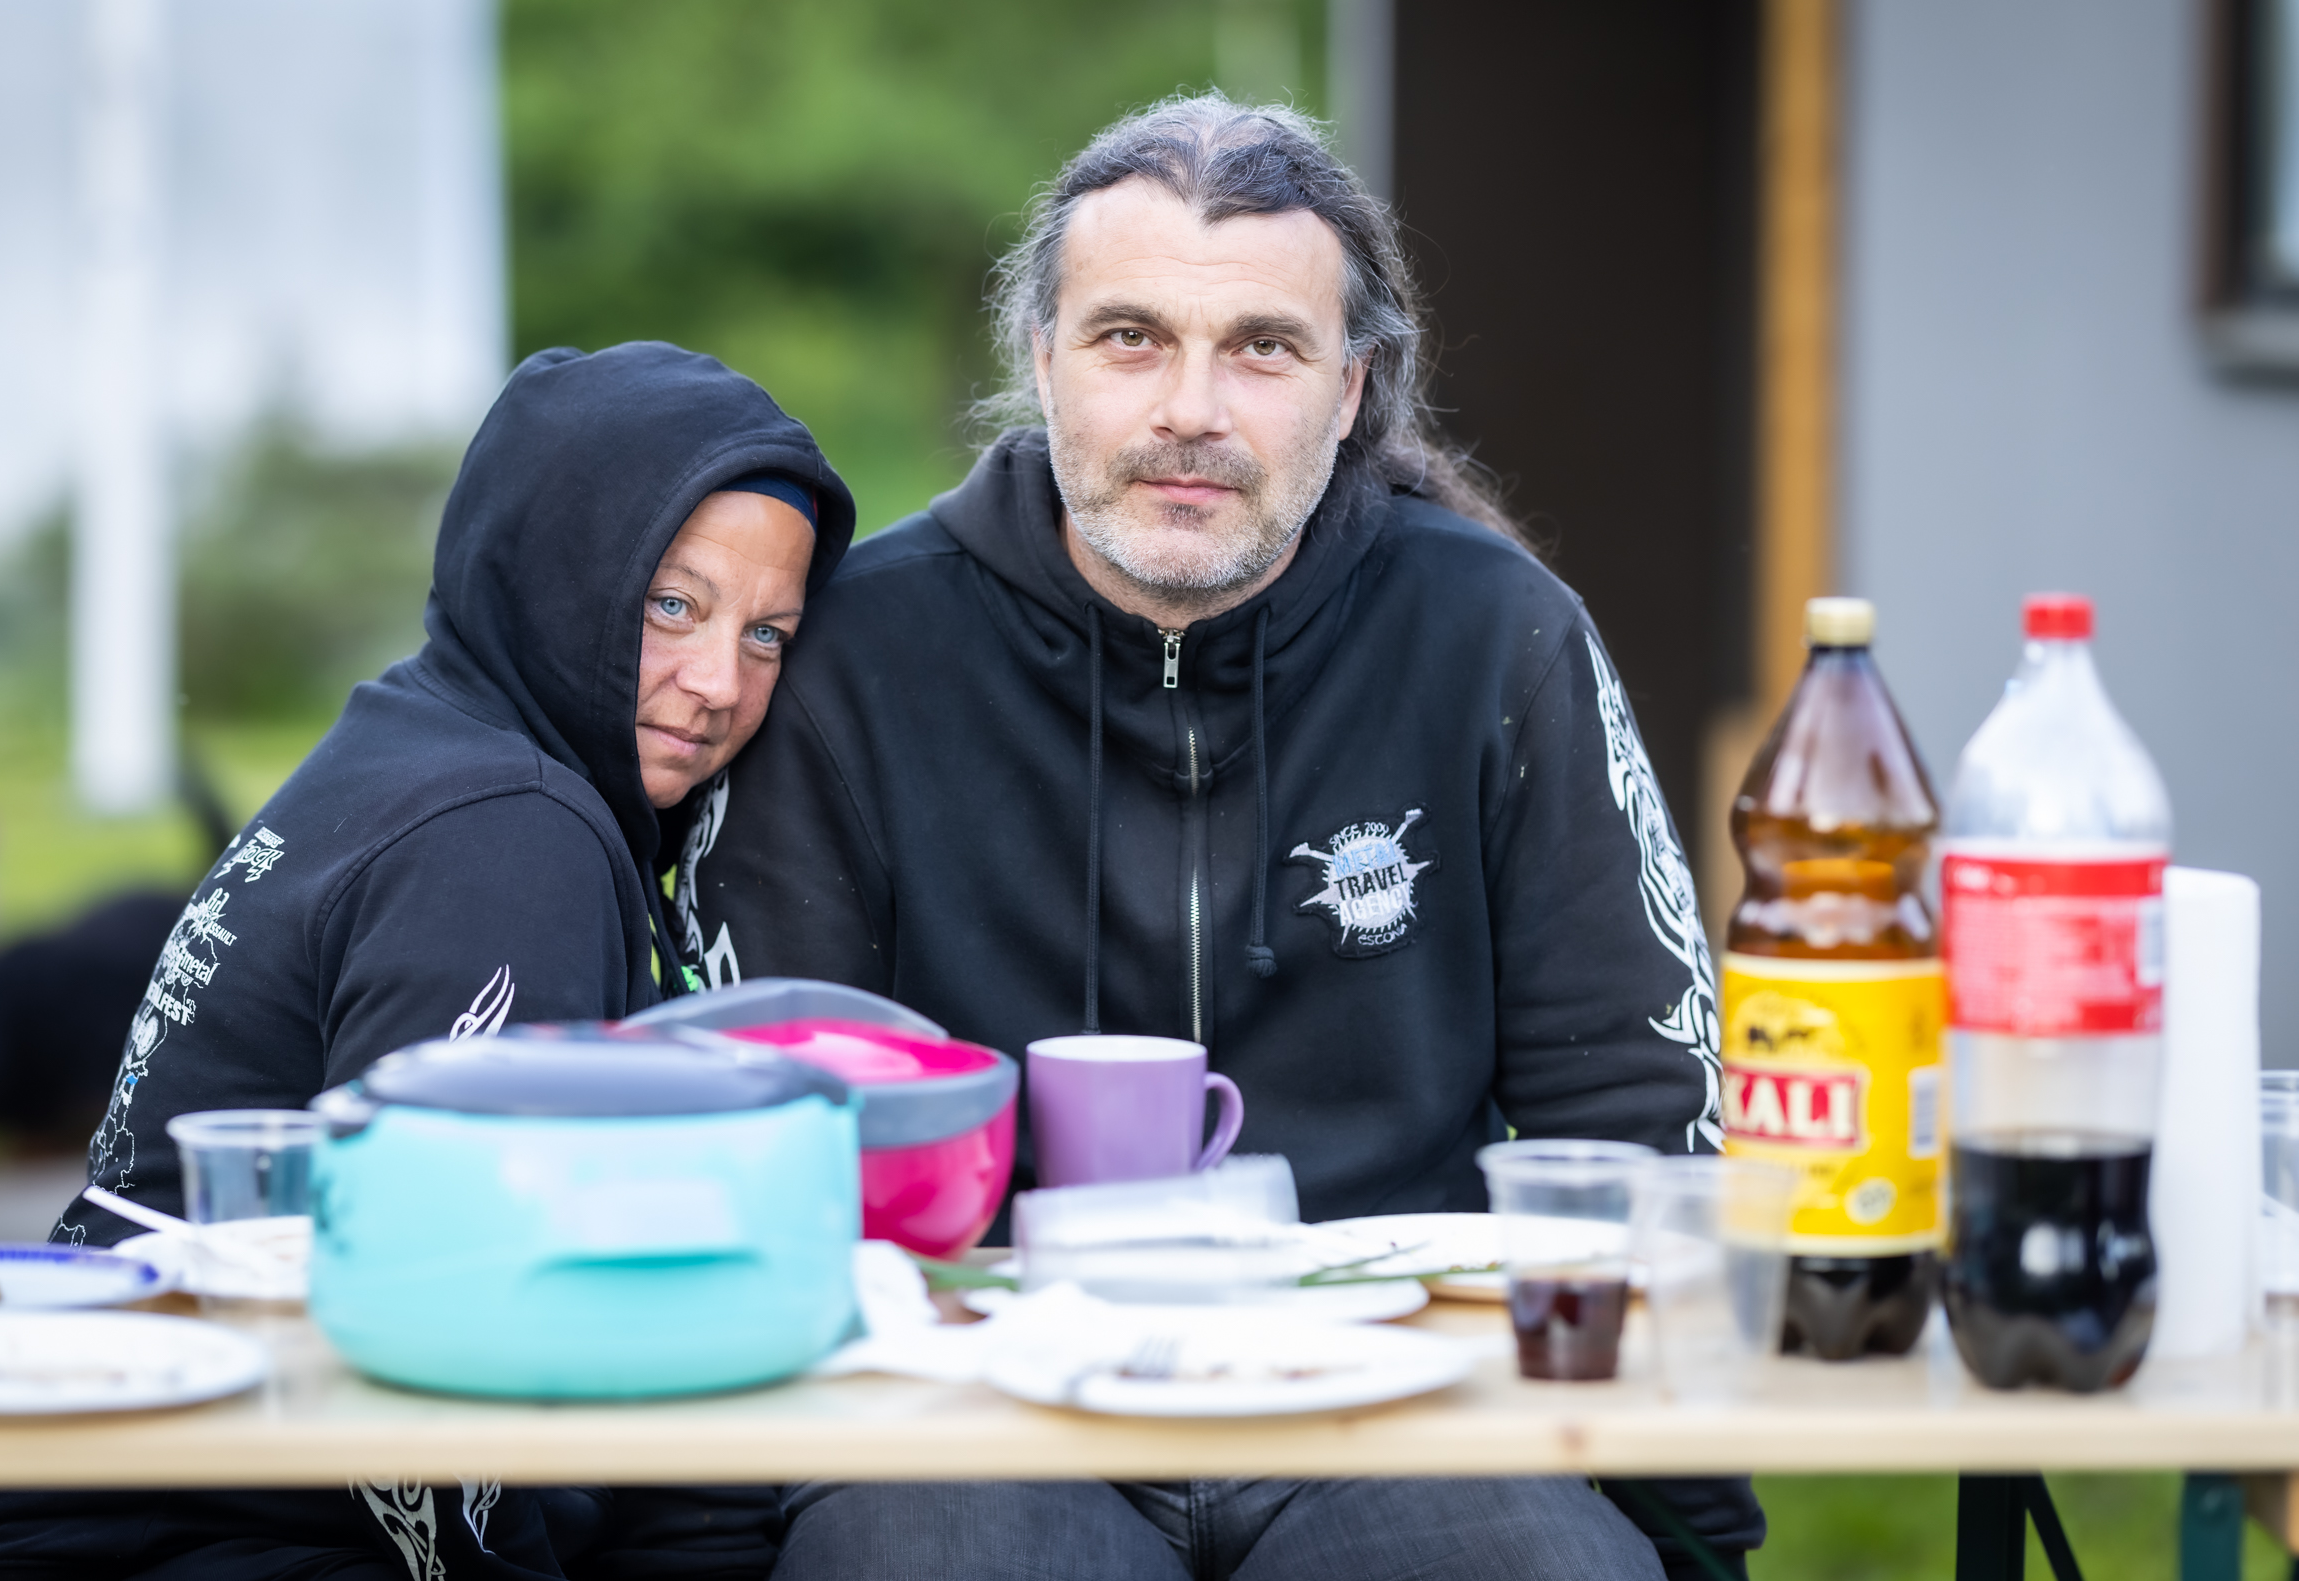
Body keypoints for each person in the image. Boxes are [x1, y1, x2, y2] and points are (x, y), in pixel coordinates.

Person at [675, 97, 1761, 1579]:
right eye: (1130, 338)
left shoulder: (1495, 633)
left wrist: (1690, 1534)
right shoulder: (859, 653)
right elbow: (758, 1125)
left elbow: (1640, 1118)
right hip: (972, 1403)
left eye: (1262, 347)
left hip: (1399, 1399)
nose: (1191, 407)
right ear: (1041, 359)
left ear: (1350, 387)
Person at [0, 341, 855, 1581]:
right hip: (158, 1530)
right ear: (548, 574)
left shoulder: (422, 733)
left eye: (768, 633)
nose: (718, 682)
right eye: (672, 604)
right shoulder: (510, 834)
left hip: (82, 1478)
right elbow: (439, 1354)